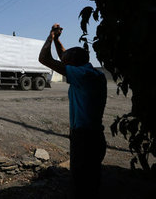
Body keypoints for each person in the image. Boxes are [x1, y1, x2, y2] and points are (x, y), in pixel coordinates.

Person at [38, 23, 107, 198]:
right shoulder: (90, 72)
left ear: (73, 63)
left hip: (84, 137)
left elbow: (44, 59)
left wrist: (51, 36)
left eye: (66, 60)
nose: (63, 60)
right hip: (94, 135)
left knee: (81, 181)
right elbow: (64, 56)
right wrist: (58, 40)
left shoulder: (82, 75)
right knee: (92, 178)